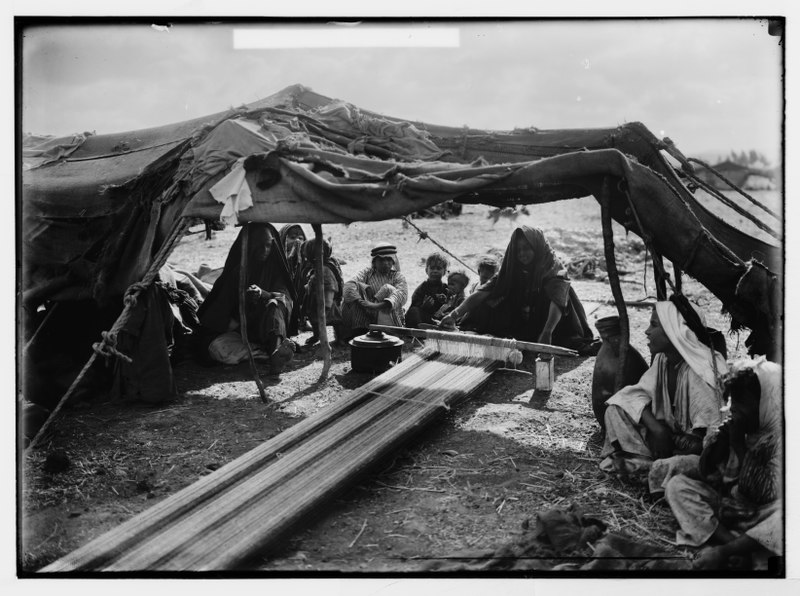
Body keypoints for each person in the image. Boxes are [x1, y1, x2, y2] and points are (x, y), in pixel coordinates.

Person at [659, 357, 782, 571]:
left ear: (766, 402)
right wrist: (721, 443)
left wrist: (738, 444)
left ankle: (727, 550)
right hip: (732, 508)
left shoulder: (780, 437)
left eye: (742, 403)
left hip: (764, 514)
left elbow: (759, 492)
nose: (735, 410)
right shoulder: (744, 427)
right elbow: (709, 473)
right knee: (678, 486)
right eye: (733, 402)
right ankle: (734, 544)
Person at [598, 297, 728, 477]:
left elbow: (712, 437)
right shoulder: (663, 359)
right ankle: (648, 463)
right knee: (614, 411)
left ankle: (648, 466)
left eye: (654, 325)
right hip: (670, 435)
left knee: (691, 464)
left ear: (673, 330)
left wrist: (680, 446)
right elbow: (633, 396)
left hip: (695, 450)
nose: (647, 331)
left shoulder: (701, 371)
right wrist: (657, 430)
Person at [438, 226, 595, 351]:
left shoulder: (552, 268)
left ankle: (542, 333)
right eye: (518, 250)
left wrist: (547, 333)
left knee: (551, 299)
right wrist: (454, 314)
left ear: (537, 247)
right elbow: (482, 292)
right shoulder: (513, 268)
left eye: (527, 248)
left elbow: (558, 303)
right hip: (527, 319)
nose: (522, 254)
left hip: (556, 323)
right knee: (489, 299)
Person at [196, 223, 298, 375]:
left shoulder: (276, 269)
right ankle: (261, 352)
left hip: (269, 329)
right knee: (217, 347)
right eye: (258, 246)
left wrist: (264, 294)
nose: (264, 251)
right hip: (241, 334)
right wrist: (242, 299)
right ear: (248, 246)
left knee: (275, 304)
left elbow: (285, 297)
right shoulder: (237, 272)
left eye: (268, 246)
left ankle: (275, 352)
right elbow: (218, 313)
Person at [340, 242, 408, 340]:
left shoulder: (397, 276)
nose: (385, 263)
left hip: (389, 316)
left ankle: (389, 333)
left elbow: (402, 295)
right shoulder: (367, 273)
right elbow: (349, 285)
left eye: (389, 259)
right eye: (381, 259)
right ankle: (355, 332)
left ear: (393, 261)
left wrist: (375, 306)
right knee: (353, 290)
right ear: (374, 262)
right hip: (369, 315)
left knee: (388, 289)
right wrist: (361, 301)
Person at [299, 236, 345, 347]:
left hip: (326, 300)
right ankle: (317, 335)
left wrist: (327, 304)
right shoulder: (318, 266)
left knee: (335, 320)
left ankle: (340, 338)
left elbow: (330, 286)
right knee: (315, 320)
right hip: (316, 299)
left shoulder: (325, 270)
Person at [405, 252, 450, 328]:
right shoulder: (422, 288)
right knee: (413, 311)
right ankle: (420, 331)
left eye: (438, 268)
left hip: (439, 319)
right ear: (426, 270)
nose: (435, 271)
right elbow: (414, 305)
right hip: (424, 318)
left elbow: (450, 304)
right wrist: (423, 306)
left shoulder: (446, 288)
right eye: (432, 268)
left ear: (444, 272)